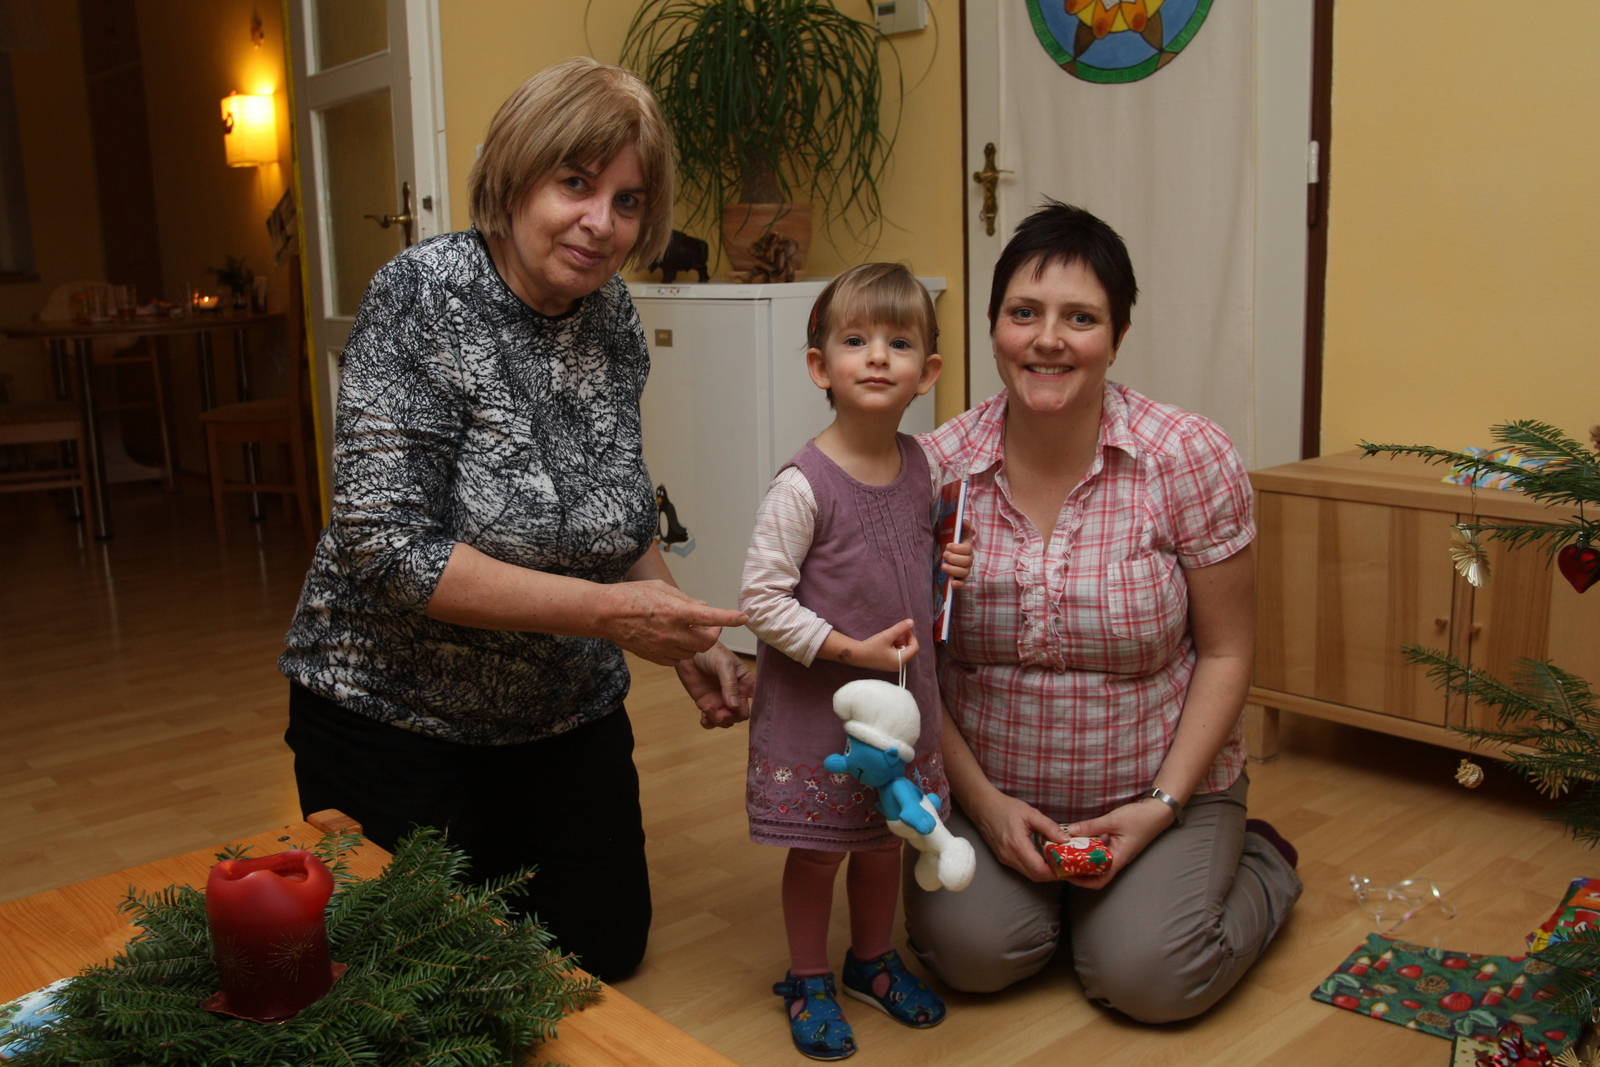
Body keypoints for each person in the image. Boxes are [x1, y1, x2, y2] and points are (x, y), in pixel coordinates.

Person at [277, 57, 753, 983]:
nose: (601, 222)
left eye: (627, 201)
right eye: (575, 184)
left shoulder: (610, 315)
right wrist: (611, 615)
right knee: (420, 984)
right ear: (514, 176)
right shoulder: (421, 295)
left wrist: (688, 634)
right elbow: (388, 549)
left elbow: (615, 511)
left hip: (558, 708)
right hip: (393, 709)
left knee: (601, 950)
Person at [906, 202, 1302, 1022]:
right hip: (990, 797)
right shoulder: (938, 468)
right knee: (970, 956)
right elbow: (920, 666)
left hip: (1163, 791)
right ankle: (1070, 909)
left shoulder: (1186, 455)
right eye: (1024, 313)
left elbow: (1228, 652)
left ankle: (1258, 863)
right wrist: (984, 806)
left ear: (1117, 336)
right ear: (993, 328)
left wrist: (1161, 806)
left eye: (1080, 318)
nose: (1048, 339)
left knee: (1150, 978)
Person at [740, 264, 972, 1061]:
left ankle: (871, 960)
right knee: (817, 851)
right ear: (820, 366)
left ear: (926, 374)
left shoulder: (923, 467)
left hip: (902, 711)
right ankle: (808, 978)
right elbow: (761, 601)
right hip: (819, 717)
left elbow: (904, 569)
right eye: (855, 340)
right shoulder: (802, 486)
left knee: (885, 838)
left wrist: (947, 565)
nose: (877, 356)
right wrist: (850, 651)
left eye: (898, 342)